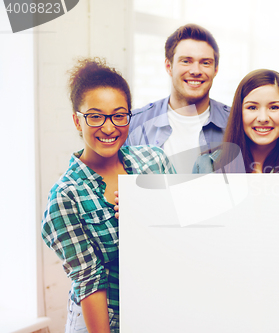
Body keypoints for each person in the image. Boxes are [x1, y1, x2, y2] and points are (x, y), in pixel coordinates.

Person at [41, 58, 175, 333]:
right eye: (95, 116)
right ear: (77, 121)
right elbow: (89, 282)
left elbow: (183, 228)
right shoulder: (66, 197)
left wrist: (150, 214)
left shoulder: (154, 161)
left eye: (118, 115)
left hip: (156, 306)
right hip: (104, 318)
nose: (110, 127)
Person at [126, 24, 230, 173]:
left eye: (205, 63)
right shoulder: (134, 124)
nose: (195, 71)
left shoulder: (235, 121)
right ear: (169, 66)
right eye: (186, 61)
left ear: (216, 69)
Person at [192, 69, 279, 173]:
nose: (263, 118)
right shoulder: (206, 166)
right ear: (239, 111)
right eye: (252, 107)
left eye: (274, 107)